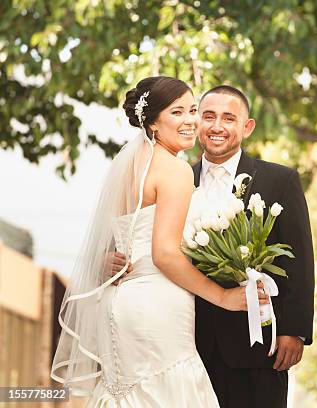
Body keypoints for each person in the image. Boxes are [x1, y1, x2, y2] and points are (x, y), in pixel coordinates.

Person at [51, 76, 267, 406]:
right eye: (177, 112)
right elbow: (165, 253)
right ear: (152, 122)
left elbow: (120, 239)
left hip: (119, 301)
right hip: (158, 303)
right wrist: (223, 296)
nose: (190, 121)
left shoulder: (127, 168)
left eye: (193, 110)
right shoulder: (175, 170)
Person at [193, 85, 315, 408]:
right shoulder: (179, 181)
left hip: (260, 345)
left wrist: (296, 330)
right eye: (209, 116)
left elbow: (299, 259)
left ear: (247, 127)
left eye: (228, 118)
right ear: (197, 123)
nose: (217, 126)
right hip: (191, 343)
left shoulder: (280, 181)